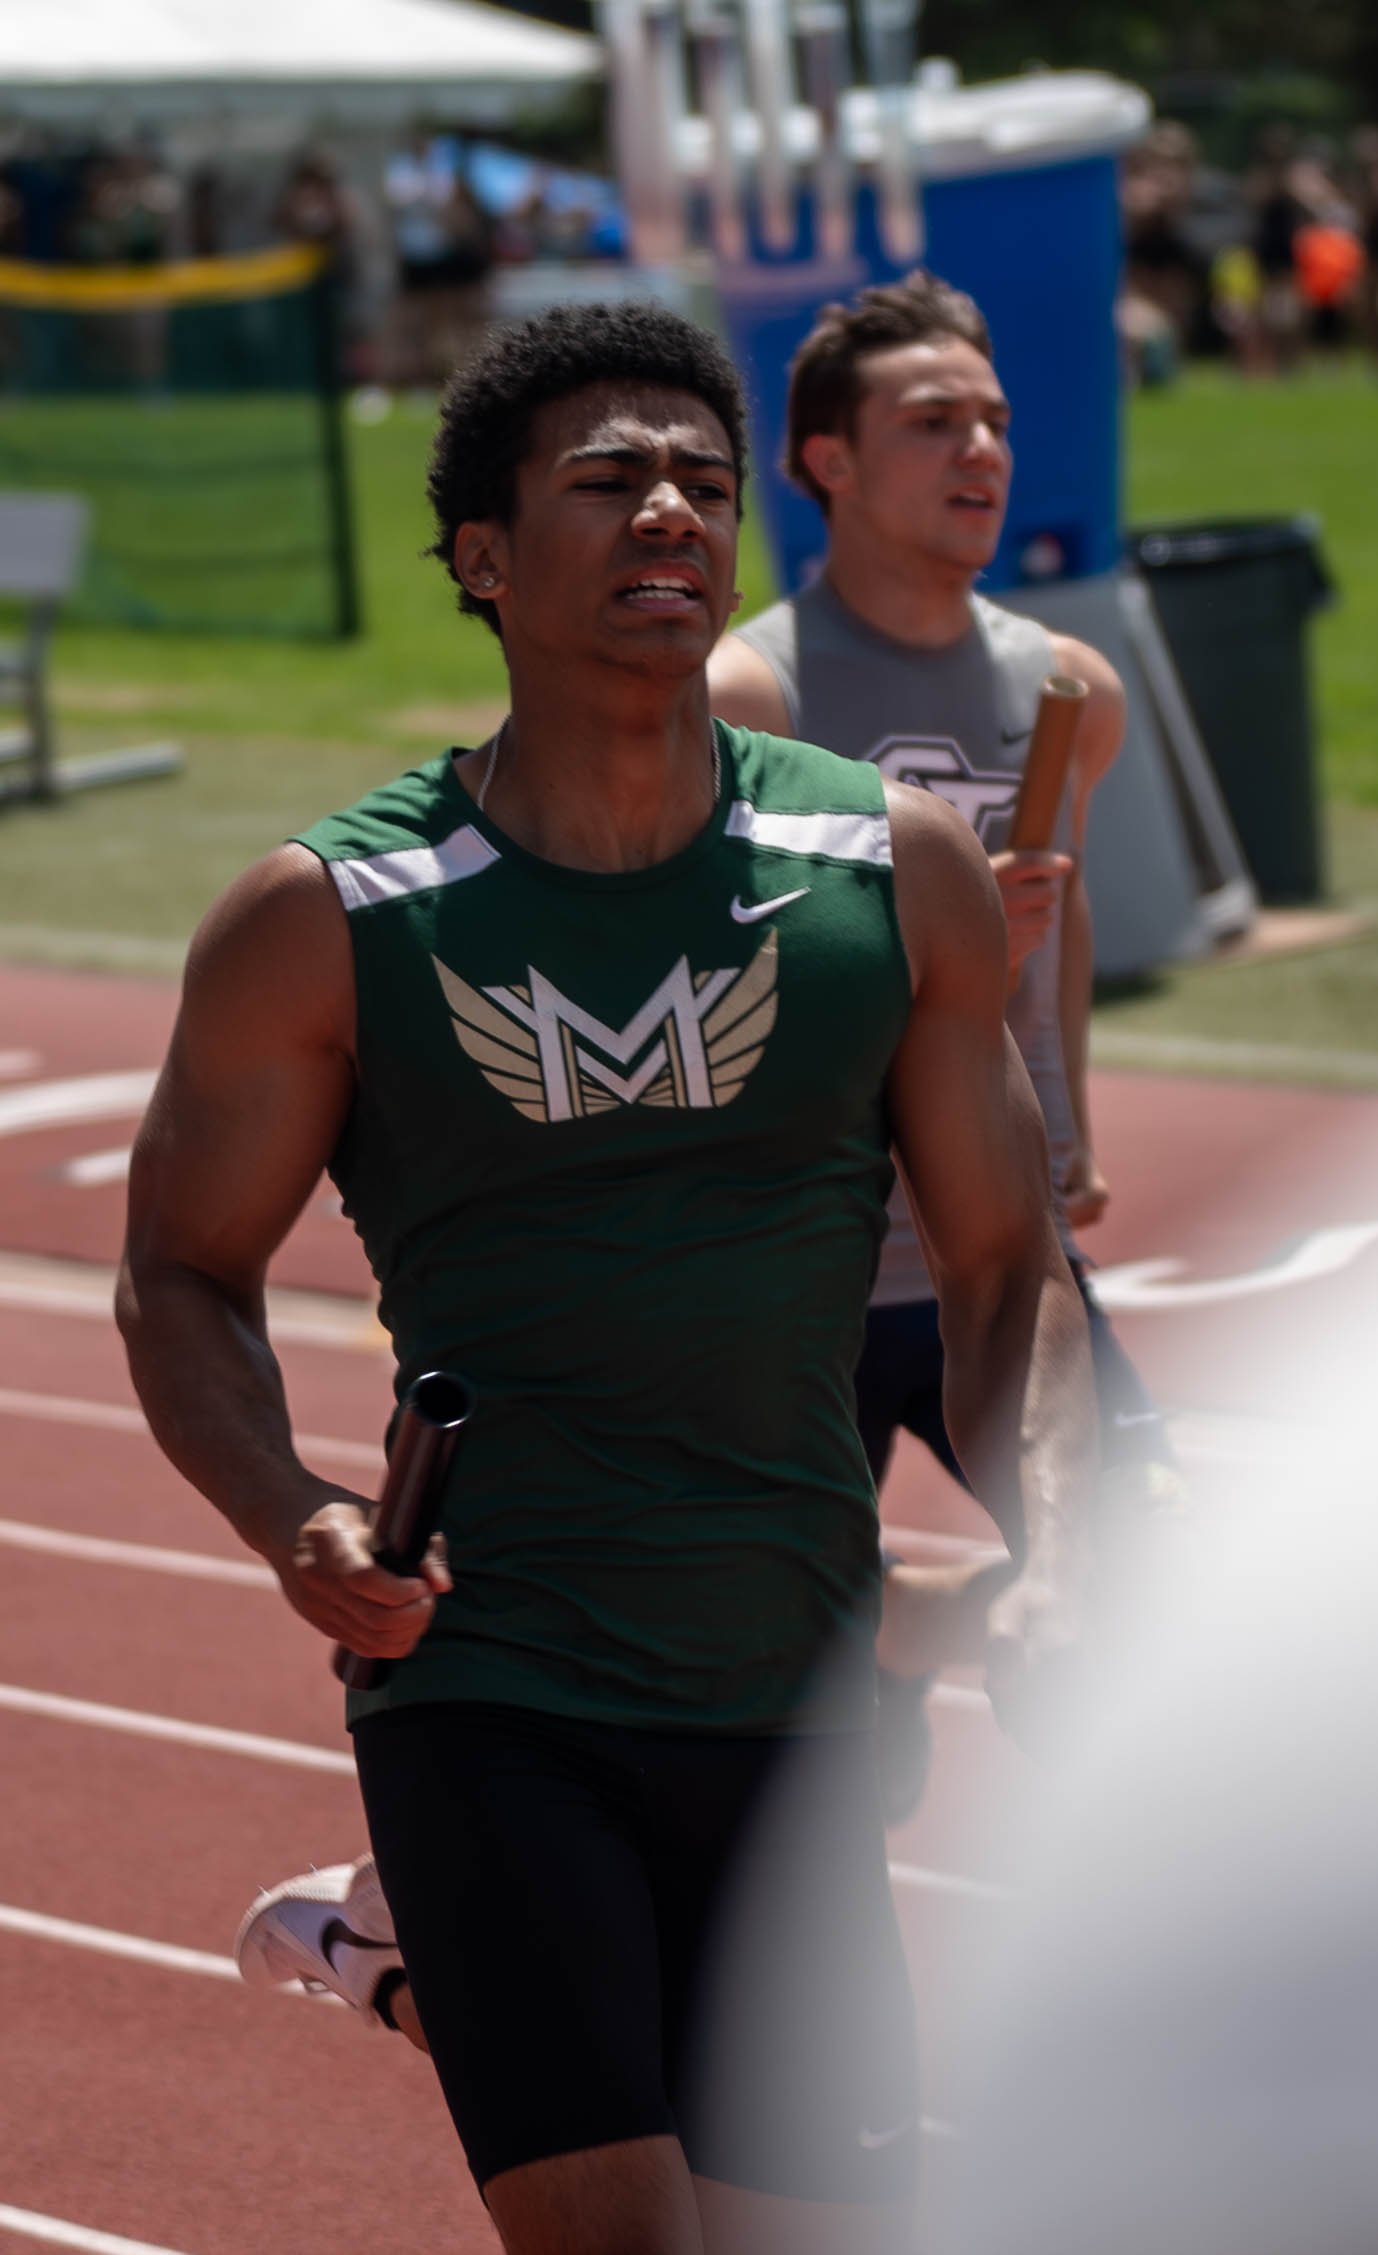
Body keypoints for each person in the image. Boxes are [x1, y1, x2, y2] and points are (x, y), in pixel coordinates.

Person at [117, 299, 1095, 2255]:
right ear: (480, 558)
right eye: (606, 480)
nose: (668, 511)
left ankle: (408, 1979)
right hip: (497, 1683)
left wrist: (1056, 1537)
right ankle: (434, 1947)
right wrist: (297, 1511)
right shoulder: (334, 915)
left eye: (701, 484)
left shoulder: (878, 869)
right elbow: (179, 1267)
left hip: (795, 1702)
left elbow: (1002, 1266)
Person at [707, 272, 1177, 1685]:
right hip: (812, 1271)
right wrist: (955, 959)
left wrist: (1070, 1120)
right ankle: (889, 1640)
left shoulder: (1068, 690)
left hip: (1001, 1238)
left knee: (1137, 1602)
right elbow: (728, 996)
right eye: (932, 422)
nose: (980, 449)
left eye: (994, 420)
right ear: (824, 464)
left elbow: (1065, 925)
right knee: (780, 1692)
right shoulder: (752, 697)